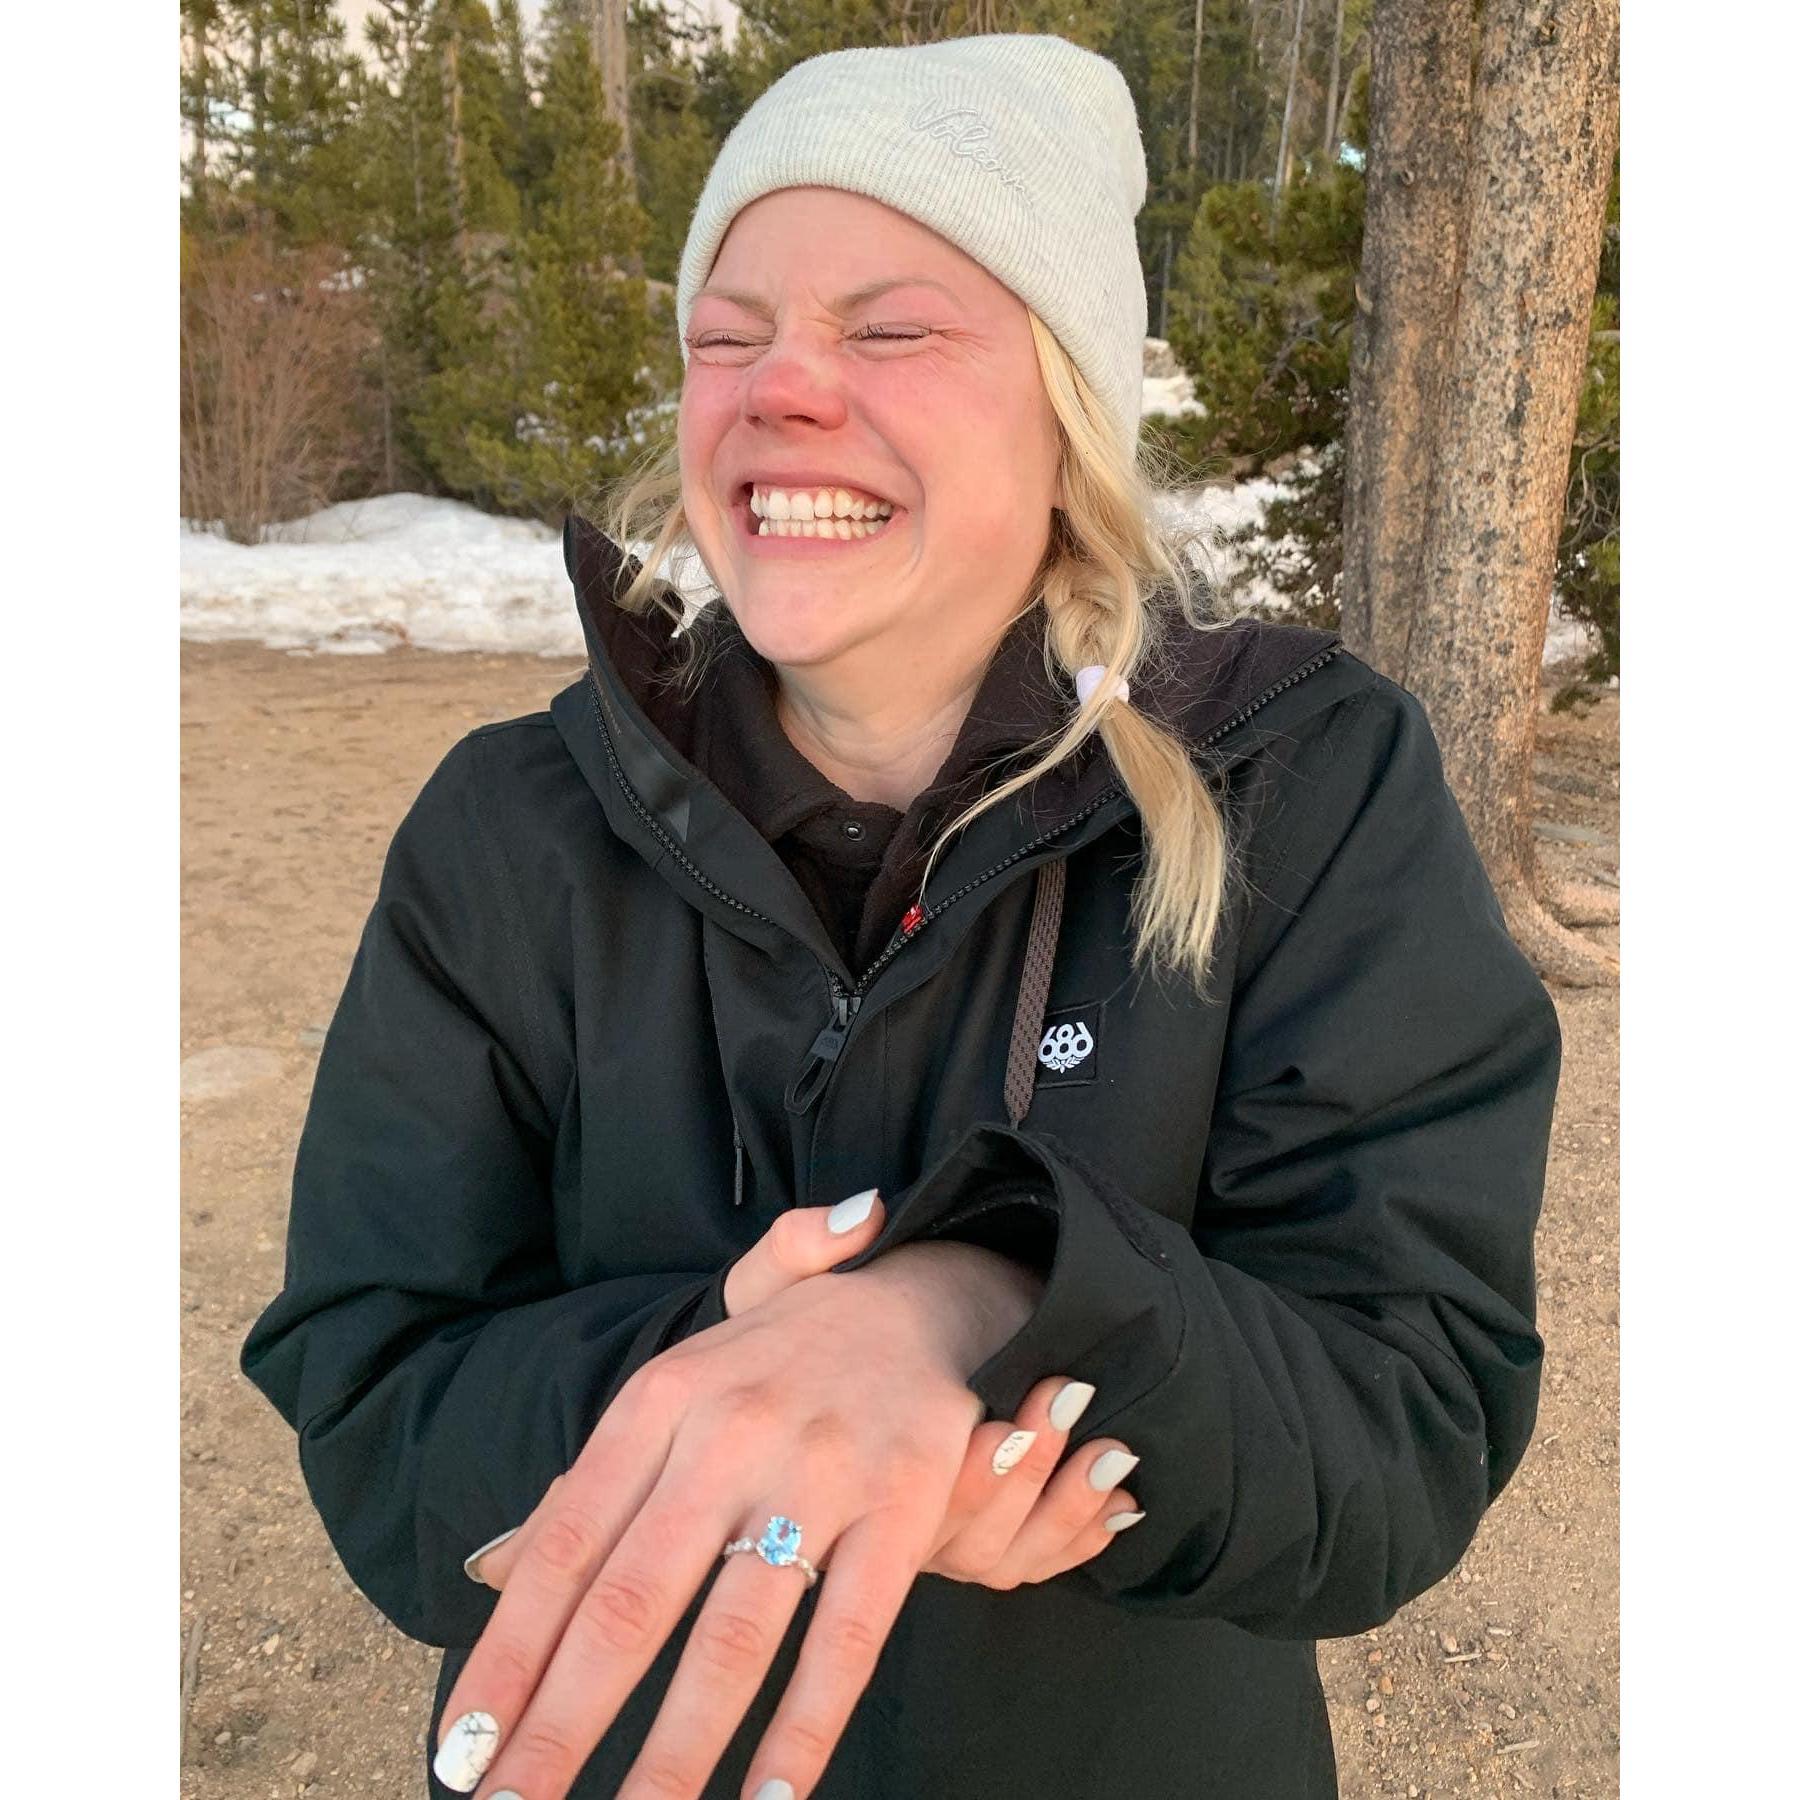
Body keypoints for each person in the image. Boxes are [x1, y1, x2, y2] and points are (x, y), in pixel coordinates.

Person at [241, 31, 1561, 1800]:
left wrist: (981, 1304)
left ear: (1067, 396)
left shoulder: (1304, 786)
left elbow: (1407, 1423)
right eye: (729, 334)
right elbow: (372, 1392)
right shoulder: (510, 832)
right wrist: (746, 1376)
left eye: (890, 325)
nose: (778, 387)